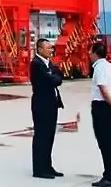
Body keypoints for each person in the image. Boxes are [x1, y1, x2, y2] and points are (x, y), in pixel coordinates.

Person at [89, 39, 111, 187]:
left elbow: (103, 89)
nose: (88, 54)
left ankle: (109, 177)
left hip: (102, 107)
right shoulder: (110, 67)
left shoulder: (99, 68)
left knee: (105, 143)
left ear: (95, 53)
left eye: (90, 51)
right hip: (109, 106)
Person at [30, 37, 65, 179]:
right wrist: (54, 76)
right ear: (39, 49)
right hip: (42, 105)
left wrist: (54, 75)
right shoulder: (36, 64)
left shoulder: (48, 63)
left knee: (49, 136)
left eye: (51, 48)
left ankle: (47, 166)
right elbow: (52, 80)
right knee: (41, 136)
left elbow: (60, 75)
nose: (51, 50)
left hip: (52, 105)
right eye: (48, 48)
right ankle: (39, 169)